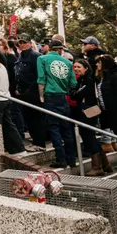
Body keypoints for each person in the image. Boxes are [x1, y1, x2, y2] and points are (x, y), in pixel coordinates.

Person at [38, 39, 78, 168]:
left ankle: (60, 159)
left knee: (54, 127)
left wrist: (41, 96)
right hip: (63, 96)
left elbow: (41, 79)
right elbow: (73, 83)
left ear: (49, 48)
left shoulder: (42, 59)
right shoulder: (67, 62)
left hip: (50, 96)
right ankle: (71, 159)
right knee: (66, 129)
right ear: (61, 49)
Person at [68, 58, 107, 175]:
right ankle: (105, 164)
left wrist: (73, 93)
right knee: (89, 136)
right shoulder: (81, 80)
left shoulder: (89, 79)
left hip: (90, 110)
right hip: (84, 110)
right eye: (74, 67)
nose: (76, 69)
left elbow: (77, 95)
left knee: (89, 137)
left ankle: (97, 167)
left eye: (79, 67)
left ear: (86, 68)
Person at [14, 35, 47, 150]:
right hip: (22, 93)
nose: (21, 45)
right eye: (19, 43)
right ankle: (36, 141)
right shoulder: (20, 57)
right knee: (28, 119)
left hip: (33, 93)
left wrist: (31, 91)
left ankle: (40, 143)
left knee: (36, 119)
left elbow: (39, 76)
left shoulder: (36, 56)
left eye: (24, 42)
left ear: (29, 43)